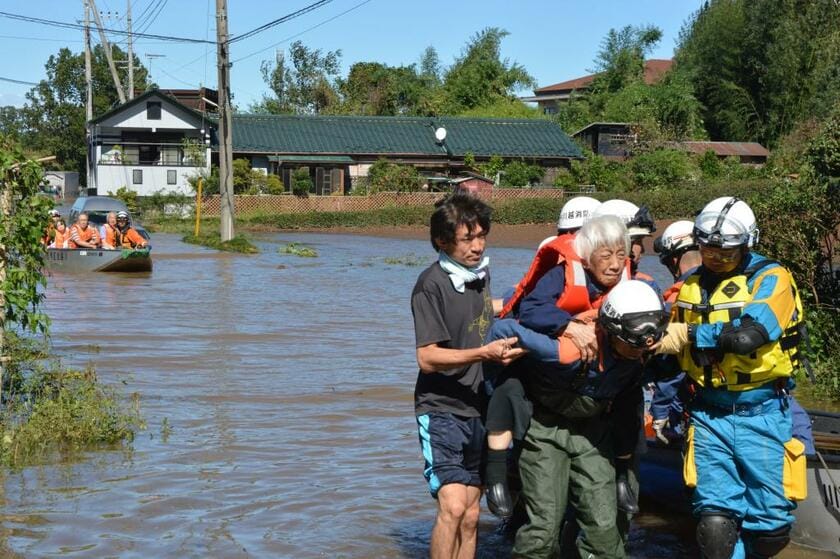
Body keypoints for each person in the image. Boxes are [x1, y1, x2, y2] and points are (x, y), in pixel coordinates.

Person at [656, 196, 808, 559]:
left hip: (763, 411)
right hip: (709, 414)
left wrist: (691, 336)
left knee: (771, 530)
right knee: (714, 523)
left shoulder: (772, 280)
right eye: (708, 248)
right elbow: (671, 352)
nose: (715, 257)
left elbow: (748, 336)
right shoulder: (691, 287)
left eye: (725, 251)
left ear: (748, 243)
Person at [484, 213, 630, 519]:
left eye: (621, 255)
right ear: (588, 258)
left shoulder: (630, 280)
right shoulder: (561, 275)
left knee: (630, 387)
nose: (615, 264)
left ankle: (623, 474)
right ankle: (496, 473)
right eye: (606, 256)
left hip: (593, 372)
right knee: (511, 383)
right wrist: (568, 326)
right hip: (548, 351)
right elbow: (531, 310)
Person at [511, 279, 668, 559]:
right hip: (544, 428)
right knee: (542, 532)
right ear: (610, 330)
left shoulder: (645, 350)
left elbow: (629, 405)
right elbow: (502, 331)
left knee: (605, 532)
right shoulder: (565, 348)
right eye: (630, 345)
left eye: (643, 347)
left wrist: (623, 467)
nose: (637, 352)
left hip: (593, 431)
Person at [411, 192, 525, 559]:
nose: (477, 246)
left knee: (473, 516)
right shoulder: (430, 285)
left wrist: (521, 305)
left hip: (481, 408)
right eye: (467, 239)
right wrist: (483, 353)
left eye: (481, 236)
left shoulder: (479, 275)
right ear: (442, 242)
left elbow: (483, 313)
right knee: (453, 507)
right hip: (442, 408)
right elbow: (427, 358)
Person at [648, 220, 701, 443]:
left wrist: (659, 411)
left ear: (673, 260)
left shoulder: (676, 300)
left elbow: (672, 368)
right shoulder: (732, 286)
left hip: (693, 397)